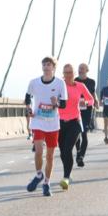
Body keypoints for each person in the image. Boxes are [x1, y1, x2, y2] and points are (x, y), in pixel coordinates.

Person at [24, 56, 67, 197]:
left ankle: (46, 183)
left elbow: (64, 104)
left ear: (54, 68)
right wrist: (29, 109)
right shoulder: (34, 82)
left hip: (53, 123)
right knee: (38, 151)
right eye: (44, 64)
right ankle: (38, 175)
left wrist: (56, 103)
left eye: (49, 64)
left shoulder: (60, 83)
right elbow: (27, 98)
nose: (46, 67)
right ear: (42, 67)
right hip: (38, 121)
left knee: (49, 156)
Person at [58, 64, 94, 190]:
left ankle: (66, 177)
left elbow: (91, 100)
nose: (68, 75)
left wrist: (86, 102)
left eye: (70, 72)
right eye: (66, 72)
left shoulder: (80, 86)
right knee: (63, 152)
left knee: (68, 149)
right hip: (60, 123)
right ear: (63, 73)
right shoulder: (59, 85)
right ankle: (67, 172)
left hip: (75, 121)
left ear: (74, 74)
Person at [74, 63, 97, 166]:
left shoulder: (91, 82)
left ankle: (81, 156)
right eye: (79, 68)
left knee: (84, 133)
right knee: (76, 132)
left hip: (87, 110)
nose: (80, 70)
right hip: (75, 110)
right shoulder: (74, 81)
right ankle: (78, 150)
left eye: (82, 69)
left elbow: (92, 93)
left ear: (87, 70)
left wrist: (95, 100)